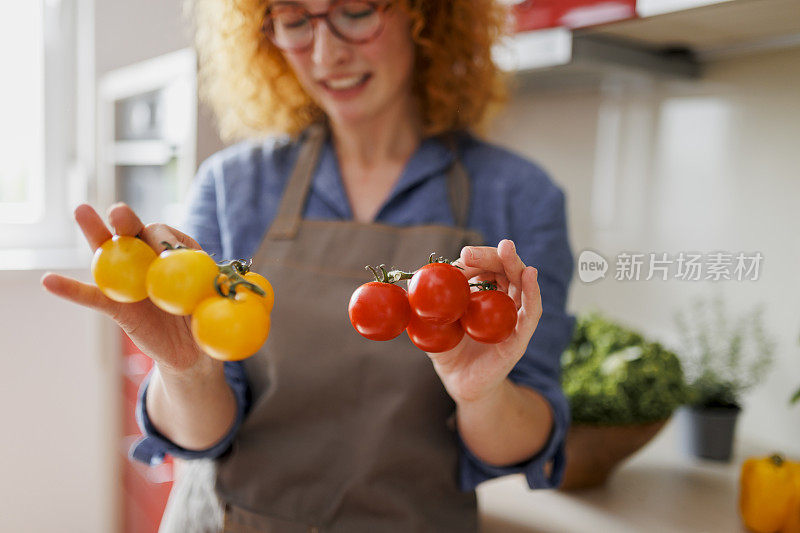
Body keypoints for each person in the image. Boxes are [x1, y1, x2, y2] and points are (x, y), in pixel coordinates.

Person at [42, 1, 576, 531]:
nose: (326, 53)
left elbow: (523, 441)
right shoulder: (232, 186)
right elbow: (201, 436)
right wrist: (186, 371)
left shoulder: (520, 197)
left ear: (428, 15)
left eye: (357, 11)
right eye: (295, 20)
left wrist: (482, 394)